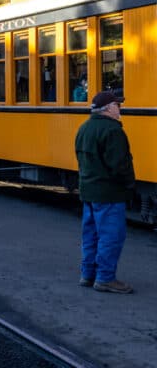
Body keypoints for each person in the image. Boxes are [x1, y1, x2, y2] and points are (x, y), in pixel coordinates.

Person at [75, 91, 135, 293]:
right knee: (111, 236)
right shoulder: (112, 131)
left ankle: (88, 274)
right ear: (109, 108)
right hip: (109, 193)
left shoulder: (84, 128)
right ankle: (105, 278)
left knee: (90, 235)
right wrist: (129, 185)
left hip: (89, 191)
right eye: (118, 105)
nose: (120, 109)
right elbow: (120, 165)